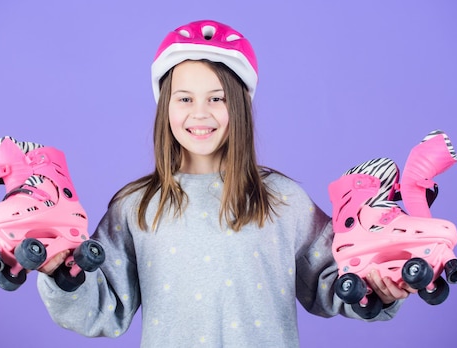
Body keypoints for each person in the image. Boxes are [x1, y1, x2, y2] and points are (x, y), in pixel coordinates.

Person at [36, 19, 413, 347]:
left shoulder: (283, 201)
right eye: (185, 98)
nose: (200, 112)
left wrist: (378, 284)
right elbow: (101, 308)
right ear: (165, 106)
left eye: (216, 98)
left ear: (241, 106)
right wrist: (59, 272)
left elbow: (336, 282)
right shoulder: (136, 207)